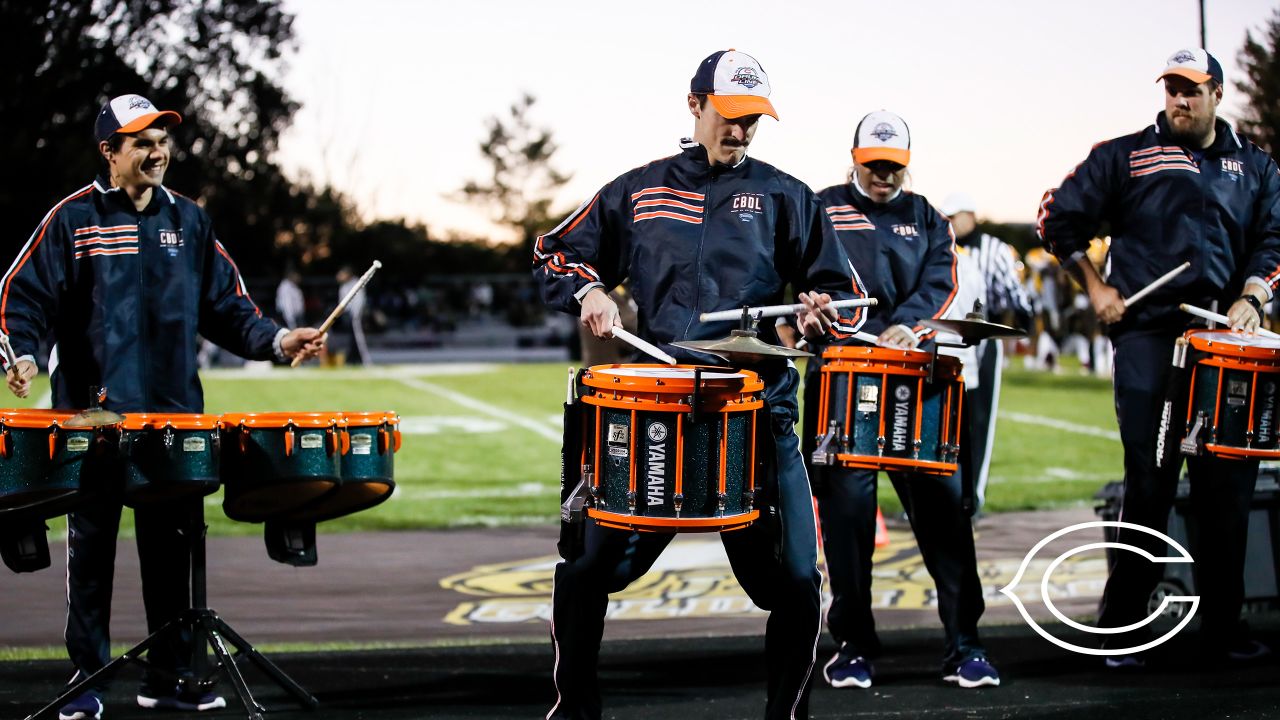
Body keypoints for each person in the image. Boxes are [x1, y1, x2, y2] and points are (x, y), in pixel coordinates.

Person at [533, 49, 865, 720]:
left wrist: (818, 313)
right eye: (729, 116)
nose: (739, 131)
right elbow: (554, 253)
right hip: (659, 420)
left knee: (798, 581)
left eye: (752, 121)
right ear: (695, 106)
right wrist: (590, 289)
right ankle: (575, 710)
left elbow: (846, 296)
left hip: (759, 419)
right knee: (588, 567)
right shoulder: (639, 189)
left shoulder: (786, 196)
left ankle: (786, 716)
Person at [1, 93, 325, 719]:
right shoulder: (73, 220)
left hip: (174, 420)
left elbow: (230, 309)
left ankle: (172, 677)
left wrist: (280, 339)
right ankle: (86, 684)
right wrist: (24, 353)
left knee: (173, 550)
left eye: (162, 141)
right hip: (92, 420)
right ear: (110, 152)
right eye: (142, 142)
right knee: (91, 556)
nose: (157, 153)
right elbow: (24, 297)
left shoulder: (191, 222)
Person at [1038, 48, 1280, 665]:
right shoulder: (1124, 155)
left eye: (1192, 90)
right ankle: (1121, 626)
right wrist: (1096, 288)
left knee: (1227, 485)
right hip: (1149, 333)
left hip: (1225, 341)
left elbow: (1274, 240)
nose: (1180, 99)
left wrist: (1253, 296)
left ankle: (1221, 629)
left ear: (1217, 95)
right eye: (1172, 88)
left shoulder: (1255, 167)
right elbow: (1057, 217)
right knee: (1149, 479)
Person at [806, 110, 999, 690]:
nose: (883, 178)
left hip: (916, 383)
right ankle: (854, 648)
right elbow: (799, 276)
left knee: (946, 515)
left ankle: (966, 644)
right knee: (847, 523)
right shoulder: (819, 207)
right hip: (842, 382)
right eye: (872, 167)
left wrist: (910, 325)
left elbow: (942, 281)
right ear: (854, 158)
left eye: (893, 168)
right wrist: (809, 311)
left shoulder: (929, 220)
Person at [937, 192, 1033, 509]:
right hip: (942, 339)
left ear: (971, 215)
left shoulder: (993, 250)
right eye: (946, 217)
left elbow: (1015, 299)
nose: (949, 223)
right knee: (941, 419)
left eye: (954, 217)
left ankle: (972, 496)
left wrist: (1018, 324)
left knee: (978, 419)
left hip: (980, 340)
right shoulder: (938, 244)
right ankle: (942, 492)